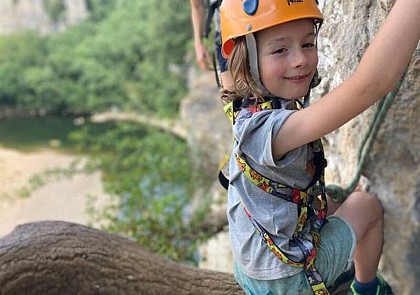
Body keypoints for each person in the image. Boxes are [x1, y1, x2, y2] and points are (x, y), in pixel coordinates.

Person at [219, 0, 420, 294]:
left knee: (333, 201)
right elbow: (372, 83)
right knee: (366, 206)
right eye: (280, 50)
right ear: (246, 59)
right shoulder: (272, 132)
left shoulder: (245, 107)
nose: (300, 59)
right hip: (284, 280)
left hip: (255, 261)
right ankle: (367, 289)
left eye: (308, 43)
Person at [189, 0, 233, 89]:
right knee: (233, 96)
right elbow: (197, 6)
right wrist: (198, 43)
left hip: (260, 22)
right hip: (225, 32)